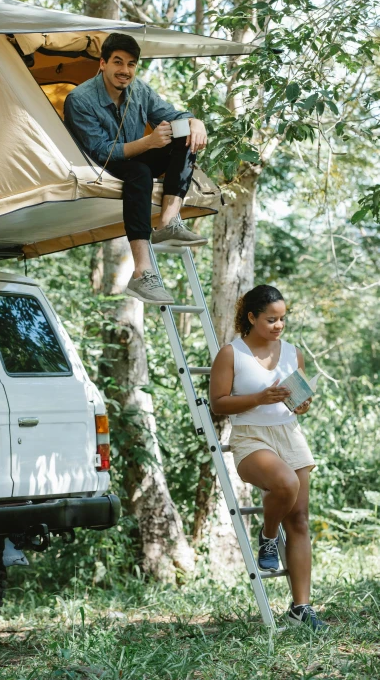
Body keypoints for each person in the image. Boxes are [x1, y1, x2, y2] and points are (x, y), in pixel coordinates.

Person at [209, 285, 328, 632]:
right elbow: (218, 403)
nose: (279, 325)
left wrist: (302, 404)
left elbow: (298, 404)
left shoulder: (293, 352)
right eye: (271, 319)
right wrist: (260, 397)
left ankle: (300, 609)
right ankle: (268, 534)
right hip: (251, 438)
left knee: (301, 520)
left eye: (282, 319)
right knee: (285, 484)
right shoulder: (231, 353)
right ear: (251, 317)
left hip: (289, 435)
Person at [64, 32, 208, 304]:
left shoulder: (139, 89)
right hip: (98, 169)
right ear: (102, 63)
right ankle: (142, 273)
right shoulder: (79, 99)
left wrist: (195, 123)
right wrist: (148, 142)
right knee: (139, 173)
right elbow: (101, 152)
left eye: (131, 64)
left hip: (137, 157)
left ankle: (168, 222)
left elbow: (174, 115)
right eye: (118, 62)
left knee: (185, 136)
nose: (125, 70)